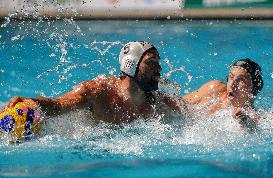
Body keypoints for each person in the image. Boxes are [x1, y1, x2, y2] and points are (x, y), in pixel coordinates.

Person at [3, 41, 182, 124]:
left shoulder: (157, 101)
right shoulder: (98, 91)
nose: (159, 69)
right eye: (151, 62)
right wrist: (34, 102)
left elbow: (191, 114)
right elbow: (59, 105)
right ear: (131, 65)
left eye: (158, 63)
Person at [183, 58, 264, 130]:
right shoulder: (214, 89)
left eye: (241, 80)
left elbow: (252, 130)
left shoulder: (253, 116)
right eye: (231, 77)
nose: (233, 85)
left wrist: (243, 119)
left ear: (253, 89)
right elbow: (180, 103)